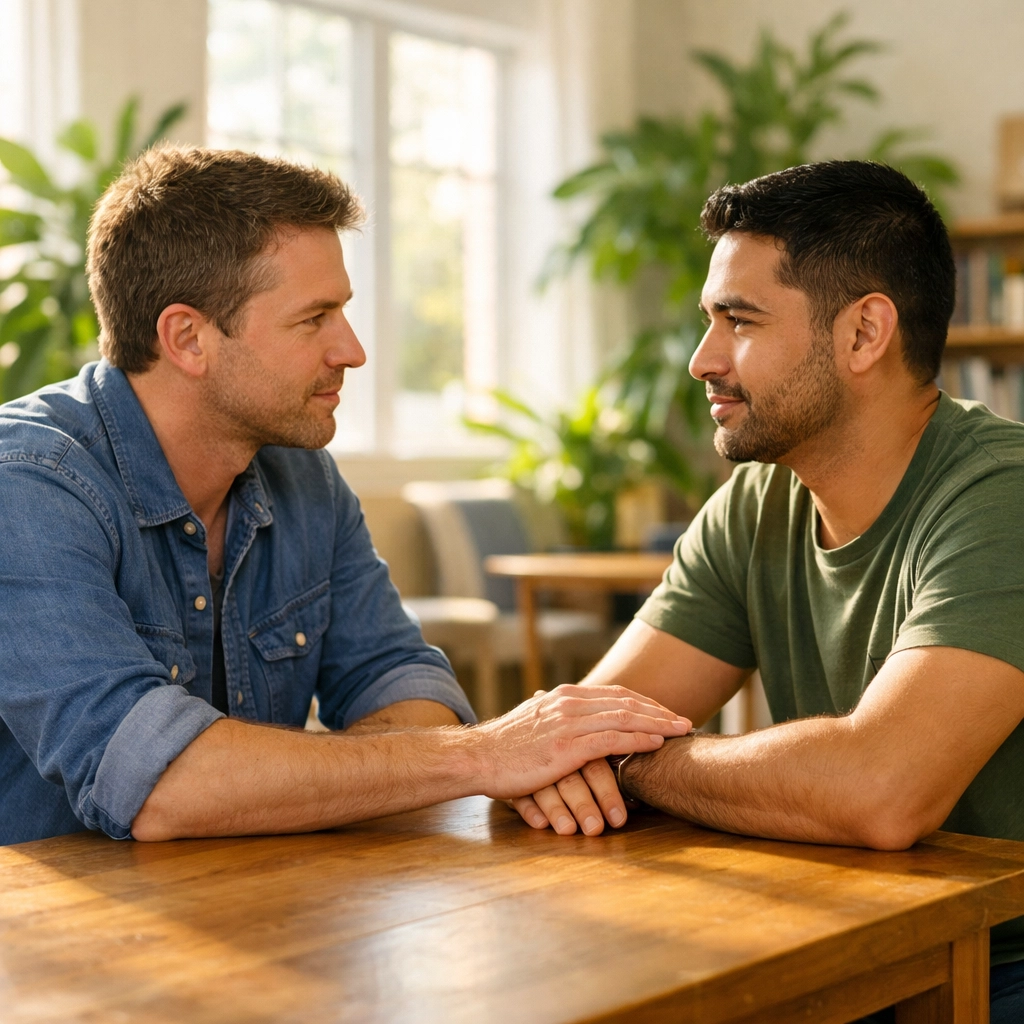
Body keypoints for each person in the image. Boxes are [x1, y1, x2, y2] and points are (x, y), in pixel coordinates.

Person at [0, 146, 692, 847]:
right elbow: (155, 786)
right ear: (188, 338)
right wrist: (485, 754)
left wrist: (427, 756)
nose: (353, 350)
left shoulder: (302, 476)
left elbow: (405, 685)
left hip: (244, 911)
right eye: (314, 318)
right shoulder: (27, 482)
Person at [509, 161, 1024, 1018]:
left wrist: (638, 760)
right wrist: (606, 745)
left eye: (739, 321)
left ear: (865, 335)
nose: (701, 361)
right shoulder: (755, 502)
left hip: (1001, 959)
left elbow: (880, 792)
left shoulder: (1002, 496)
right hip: (857, 936)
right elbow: (581, 726)